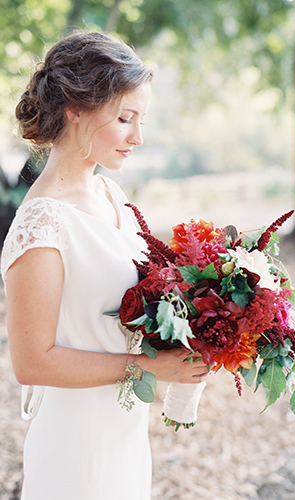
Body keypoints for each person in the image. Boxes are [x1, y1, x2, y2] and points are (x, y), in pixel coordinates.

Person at [0, 31, 211, 500]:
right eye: (124, 118)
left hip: (123, 430)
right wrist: (150, 367)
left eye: (141, 120)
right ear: (76, 110)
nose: (138, 137)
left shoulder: (110, 195)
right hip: (76, 444)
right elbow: (32, 361)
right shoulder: (42, 222)